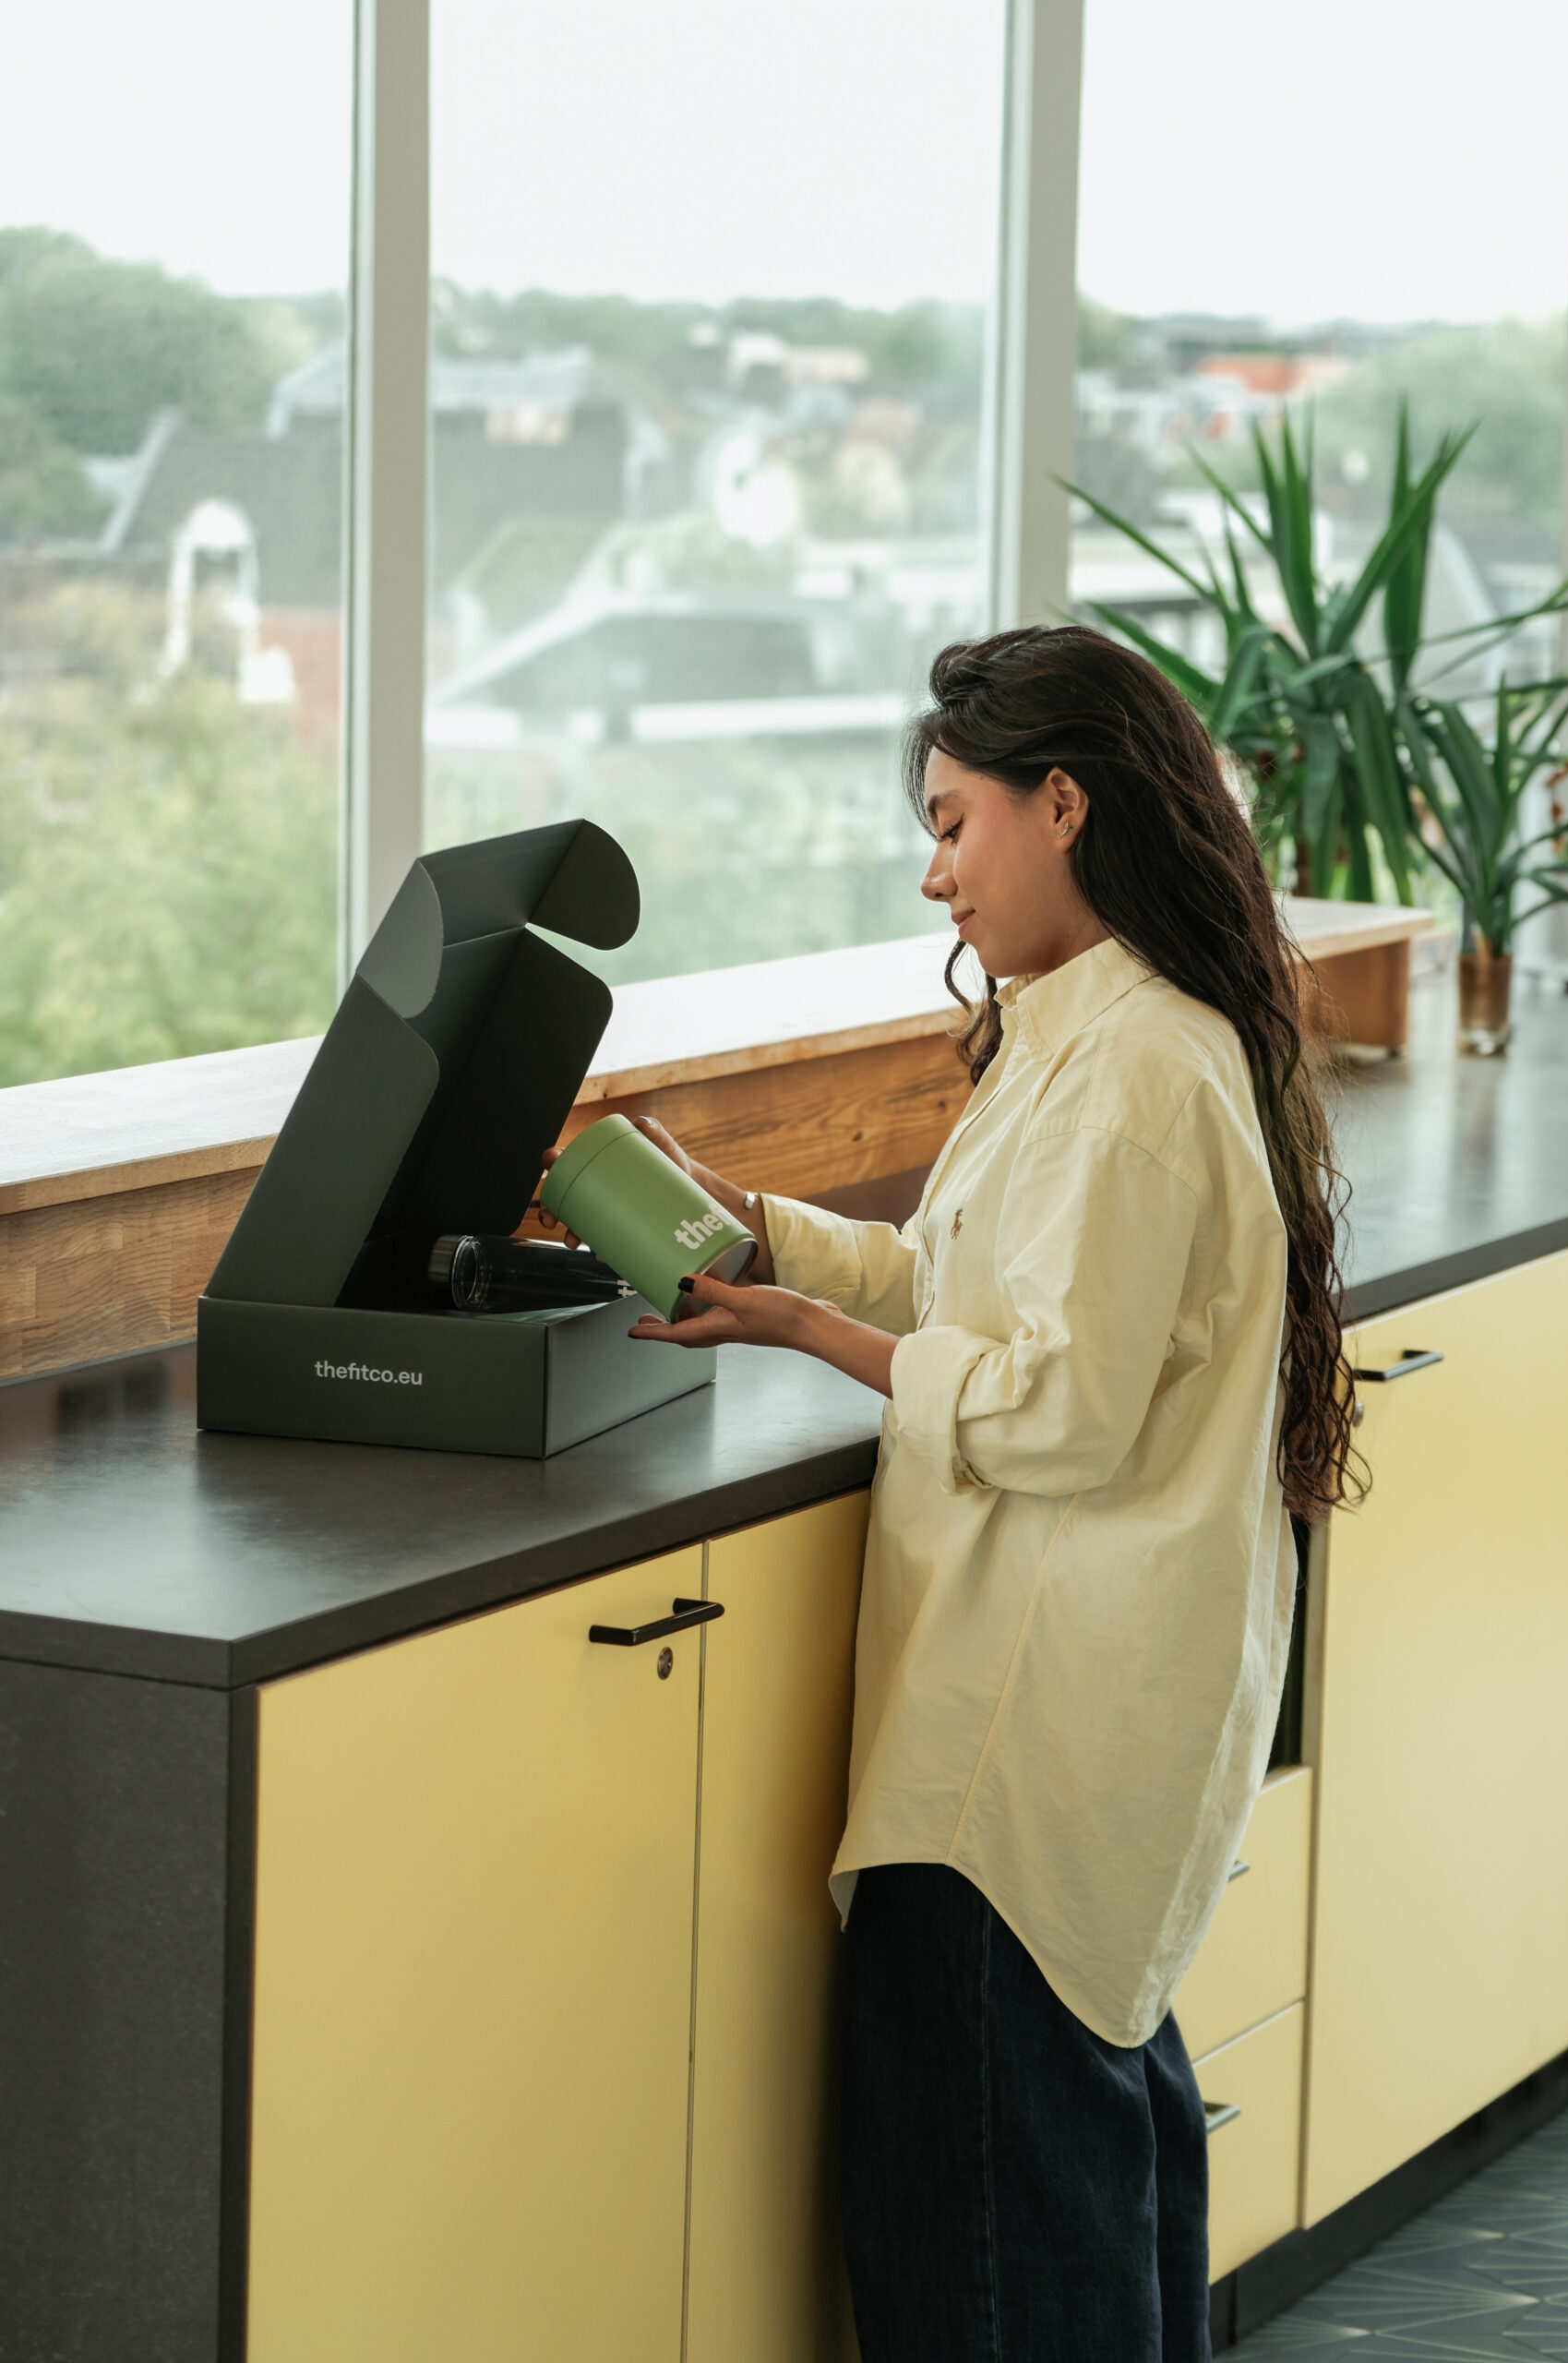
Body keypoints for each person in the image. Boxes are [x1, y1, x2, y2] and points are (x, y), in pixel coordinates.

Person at [545, 623, 1359, 2362]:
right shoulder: (1101, 1036)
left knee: (986, 2248)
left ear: (1061, 804)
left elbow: (1056, 1411)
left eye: (949, 823)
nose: (936, 877)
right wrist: (764, 1238)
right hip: (1071, 1742)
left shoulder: (1130, 1075)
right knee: (1088, 2181)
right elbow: (967, 1280)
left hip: (1020, 1751)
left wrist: (808, 1335)